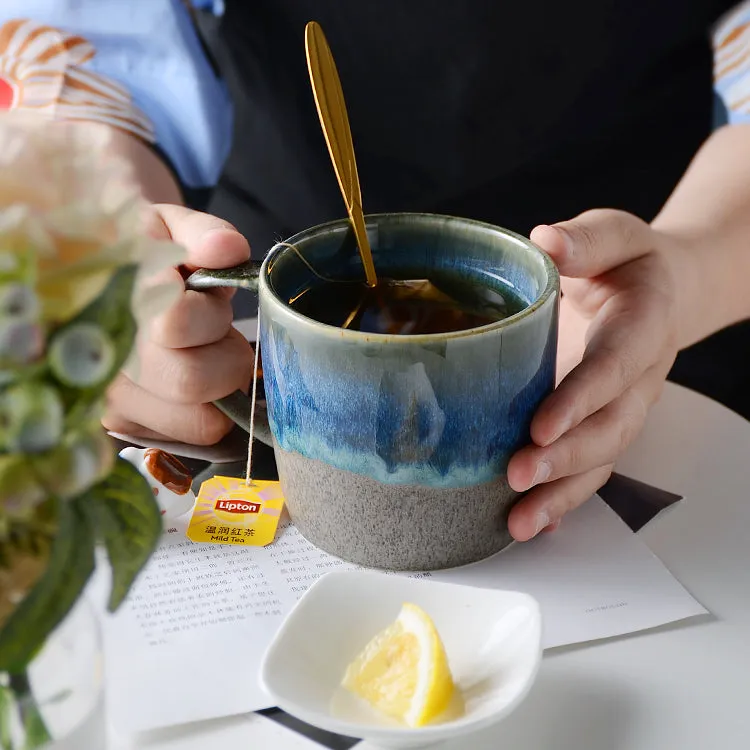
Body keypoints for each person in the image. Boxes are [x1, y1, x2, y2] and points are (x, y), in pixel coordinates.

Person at [2, 1, 749, 543]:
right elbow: (88, 41)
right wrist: (106, 235)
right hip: (258, 279)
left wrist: (686, 268)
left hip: (662, 322)